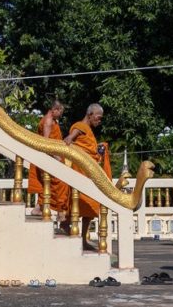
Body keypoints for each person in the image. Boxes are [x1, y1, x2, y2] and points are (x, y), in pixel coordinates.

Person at [63, 103, 112, 250]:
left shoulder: (88, 130)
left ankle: (83, 239)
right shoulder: (80, 126)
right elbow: (68, 140)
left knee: (89, 209)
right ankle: (67, 225)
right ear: (90, 114)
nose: (99, 121)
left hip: (88, 174)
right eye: (98, 117)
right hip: (80, 173)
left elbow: (88, 150)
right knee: (80, 204)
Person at [27, 100, 69, 224]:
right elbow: (45, 143)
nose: (60, 115)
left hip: (51, 156)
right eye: (60, 112)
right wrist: (56, 157)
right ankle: (61, 213)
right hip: (50, 157)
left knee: (48, 184)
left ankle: (39, 208)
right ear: (54, 110)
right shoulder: (48, 121)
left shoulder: (49, 120)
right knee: (60, 183)